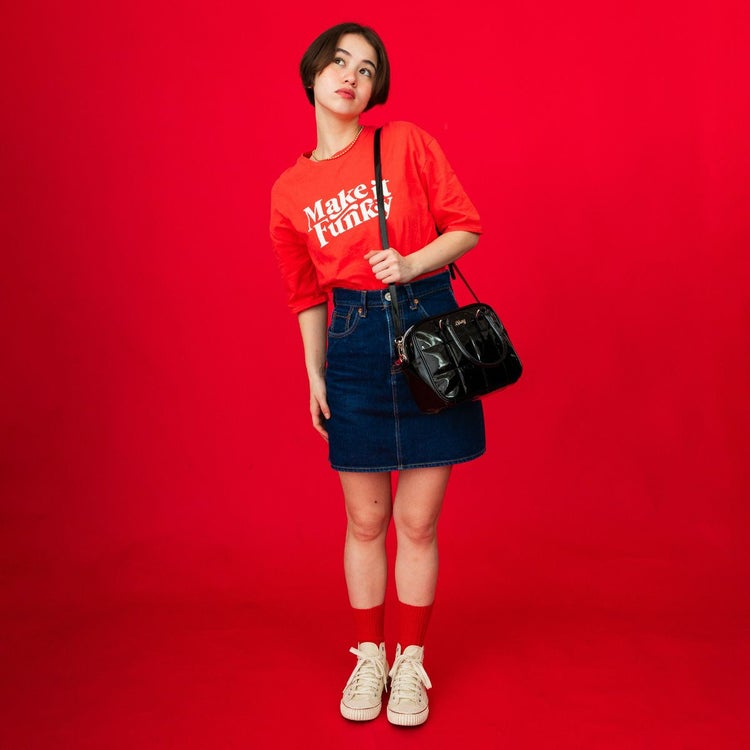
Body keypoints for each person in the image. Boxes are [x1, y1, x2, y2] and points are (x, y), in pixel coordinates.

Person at [269, 22, 485, 727]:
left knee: (418, 523)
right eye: (340, 62)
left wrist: (414, 262)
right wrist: (315, 373)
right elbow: (305, 294)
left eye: (366, 70)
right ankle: (369, 656)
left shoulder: (405, 143)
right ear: (313, 73)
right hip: (354, 342)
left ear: (374, 90)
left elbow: (466, 225)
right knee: (365, 521)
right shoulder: (289, 191)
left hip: (426, 326)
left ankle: (410, 661)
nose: (351, 77)